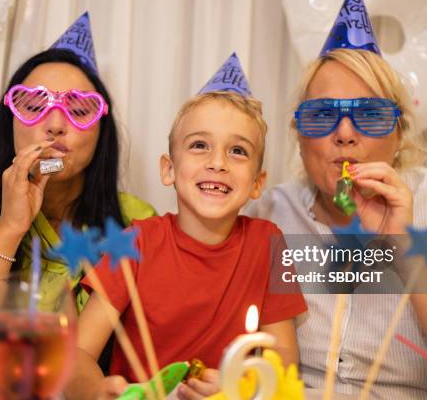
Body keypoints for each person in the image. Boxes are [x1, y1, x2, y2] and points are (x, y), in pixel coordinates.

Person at [244, 0, 427, 398]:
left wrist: (407, 248)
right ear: (299, 136)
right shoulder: (265, 214)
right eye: (322, 115)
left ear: (400, 133)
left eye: (370, 116)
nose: (344, 134)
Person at [0, 39, 157, 384]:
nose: (55, 124)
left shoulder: (138, 222)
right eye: (34, 105)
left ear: (103, 131)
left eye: (80, 109)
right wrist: (9, 229)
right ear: (9, 123)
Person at [65, 54, 308, 400]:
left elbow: (283, 363)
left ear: (257, 183)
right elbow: (79, 353)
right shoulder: (136, 242)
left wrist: (243, 389)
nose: (217, 162)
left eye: (238, 150)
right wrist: (96, 391)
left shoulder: (268, 244)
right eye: (199, 145)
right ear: (169, 169)